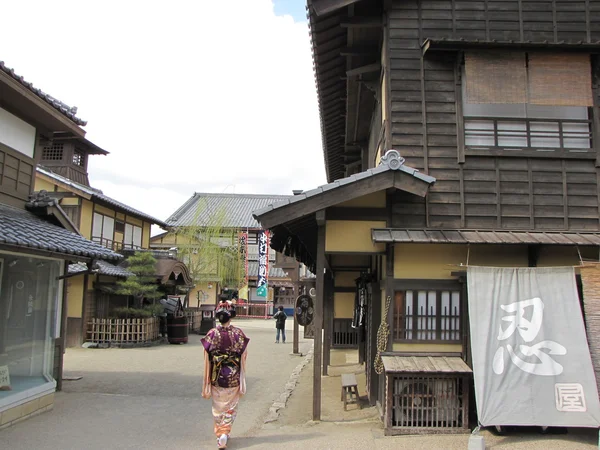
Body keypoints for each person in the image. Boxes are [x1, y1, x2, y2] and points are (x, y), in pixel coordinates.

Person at [201, 300, 249, 449]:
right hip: (233, 374)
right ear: (231, 317)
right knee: (231, 405)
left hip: (216, 375)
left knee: (218, 406)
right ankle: (225, 432)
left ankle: (220, 433)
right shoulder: (237, 333)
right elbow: (243, 353)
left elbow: (207, 354)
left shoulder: (212, 333)